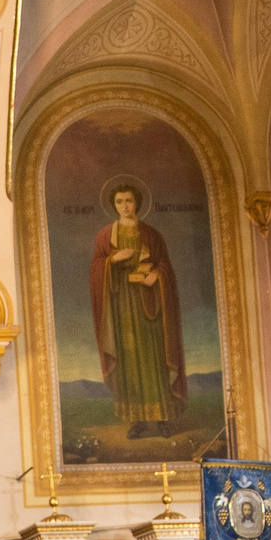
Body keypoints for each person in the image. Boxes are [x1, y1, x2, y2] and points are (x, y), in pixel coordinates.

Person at [89, 182, 185, 436]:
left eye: (129, 201)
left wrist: (157, 275)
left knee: (154, 357)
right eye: (119, 202)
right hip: (121, 305)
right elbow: (96, 269)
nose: (125, 206)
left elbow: (165, 266)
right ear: (114, 205)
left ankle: (162, 417)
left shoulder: (152, 235)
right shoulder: (105, 235)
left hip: (149, 304)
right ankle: (138, 420)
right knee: (129, 360)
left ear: (137, 203)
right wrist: (112, 260)